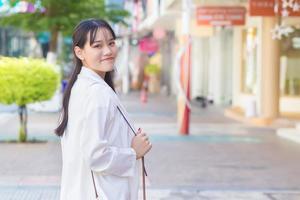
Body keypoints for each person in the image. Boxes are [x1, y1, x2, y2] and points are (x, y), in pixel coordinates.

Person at [55, 18, 152, 200]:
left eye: (111, 43)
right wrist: (133, 153)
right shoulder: (96, 93)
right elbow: (96, 155)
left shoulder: (80, 87)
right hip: (102, 193)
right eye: (97, 46)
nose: (108, 51)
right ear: (80, 52)